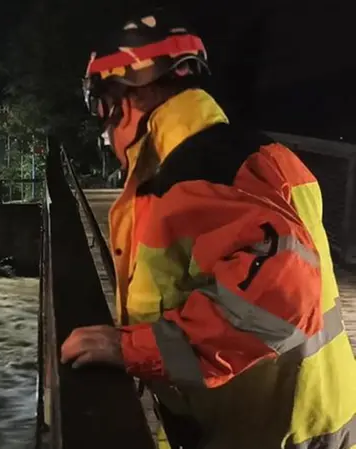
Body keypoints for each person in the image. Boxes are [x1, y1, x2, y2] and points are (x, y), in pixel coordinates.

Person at [60, 8, 356, 449]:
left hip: (268, 432)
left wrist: (132, 348)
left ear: (127, 98)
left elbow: (282, 297)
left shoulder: (194, 178)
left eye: (100, 109)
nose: (104, 132)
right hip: (307, 413)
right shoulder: (256, 154)